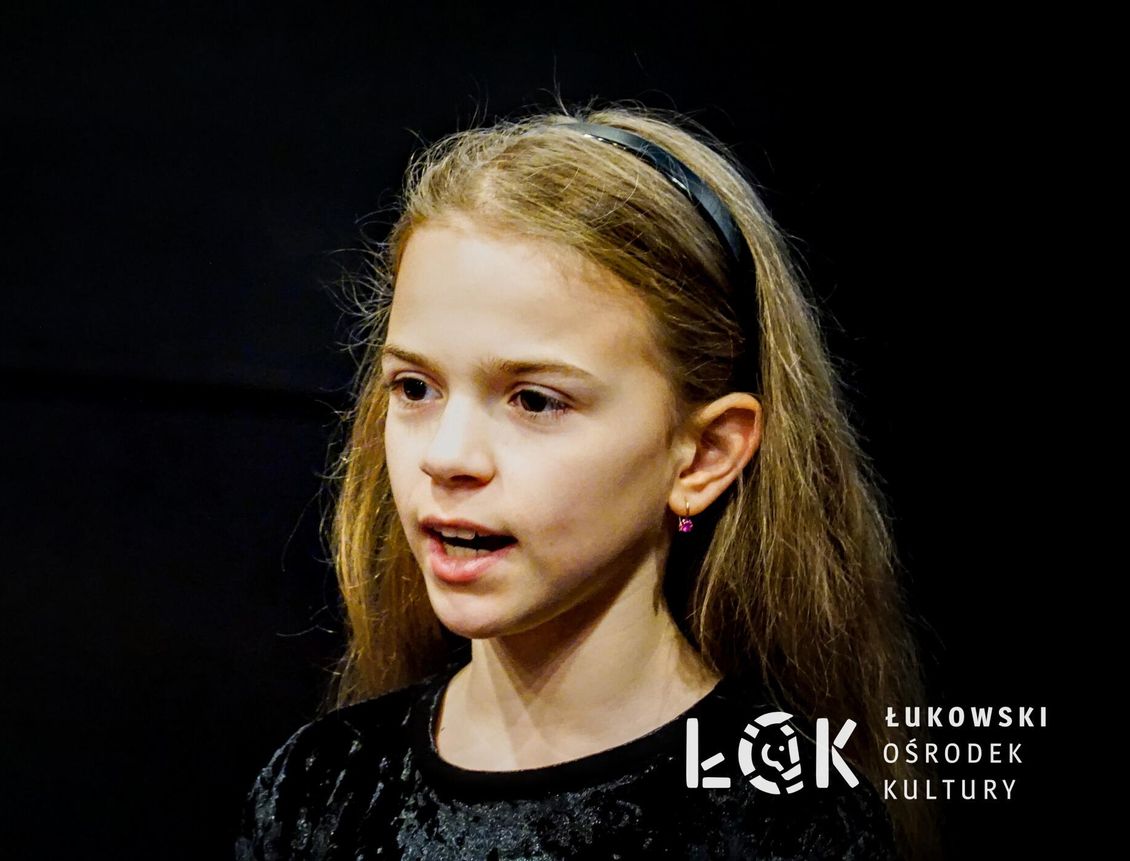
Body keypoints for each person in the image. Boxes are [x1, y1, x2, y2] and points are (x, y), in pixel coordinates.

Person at [234, 101, 938, 860]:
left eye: (536, 400)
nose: (446, 455)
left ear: (702, 456)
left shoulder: (789, 827)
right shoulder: (318, 789)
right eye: (415, 388)